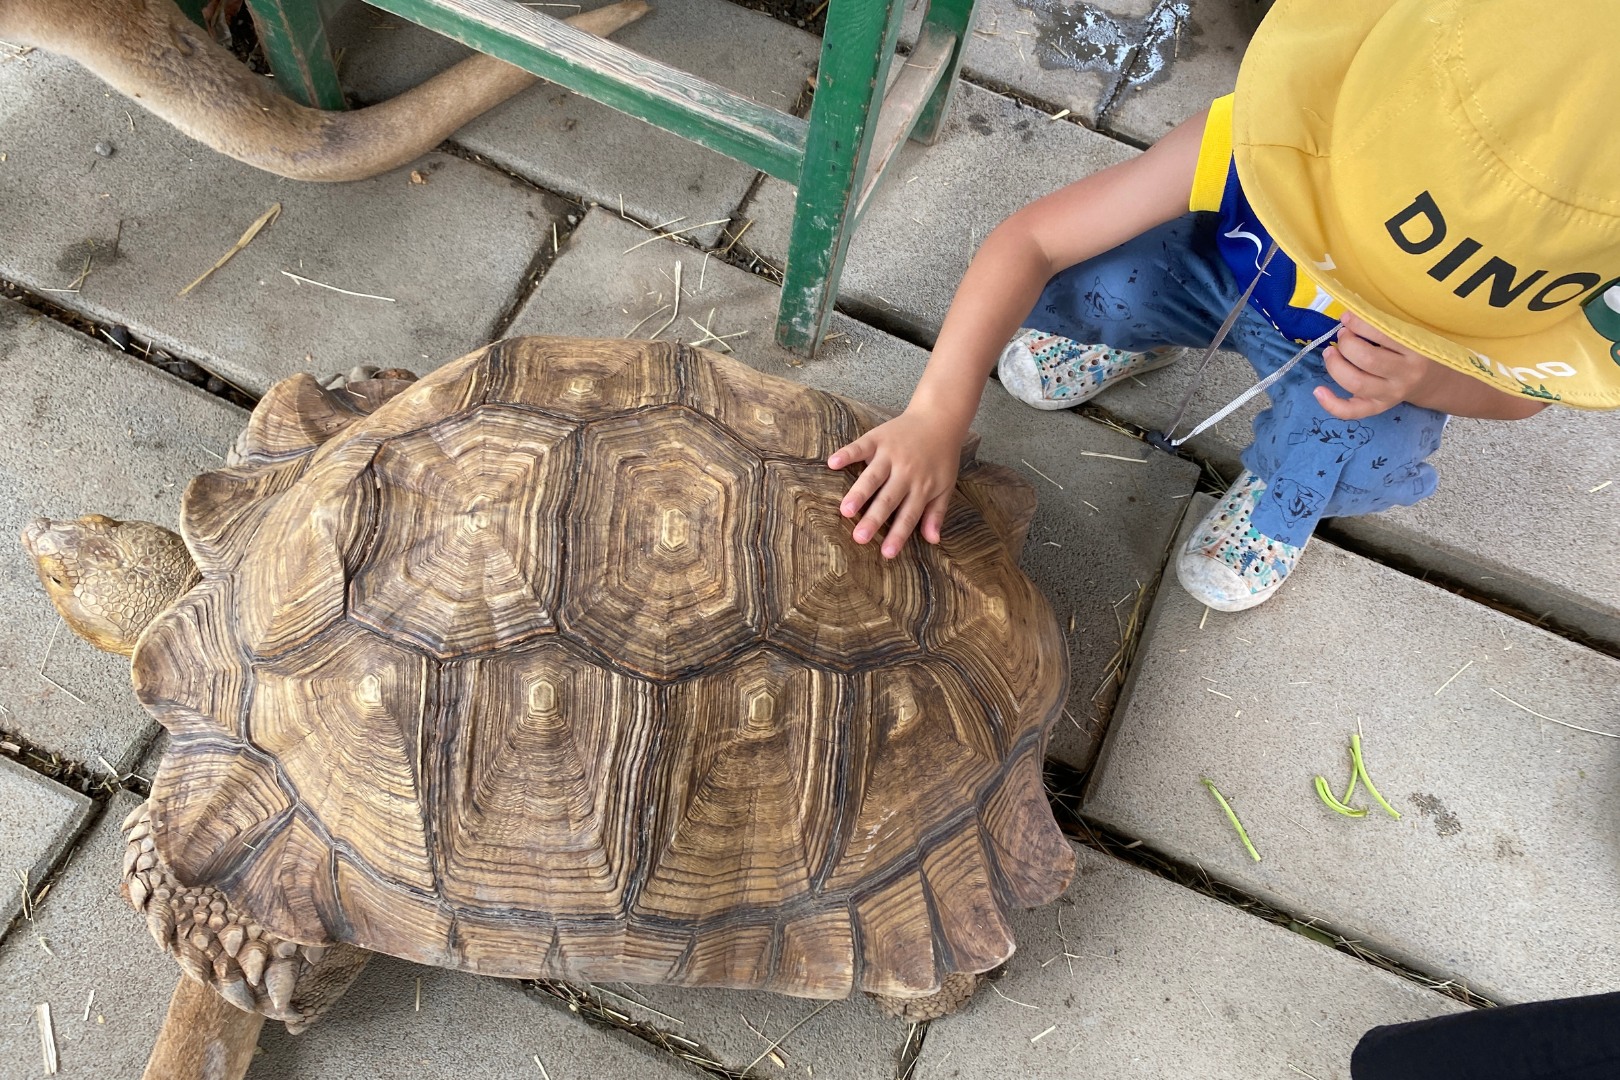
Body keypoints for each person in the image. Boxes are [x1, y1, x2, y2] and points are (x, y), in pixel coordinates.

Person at [826, 0, 1620, 612]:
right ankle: (1138, 335)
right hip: (1218, 277)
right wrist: (936, 409)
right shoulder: (1250, 136)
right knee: (1109, 276)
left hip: (1348, 372)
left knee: (1361, 443)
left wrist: (1422, 380)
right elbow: (1034, 243)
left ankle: (1283, 495)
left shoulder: (1574, 238)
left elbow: (1524, 399)